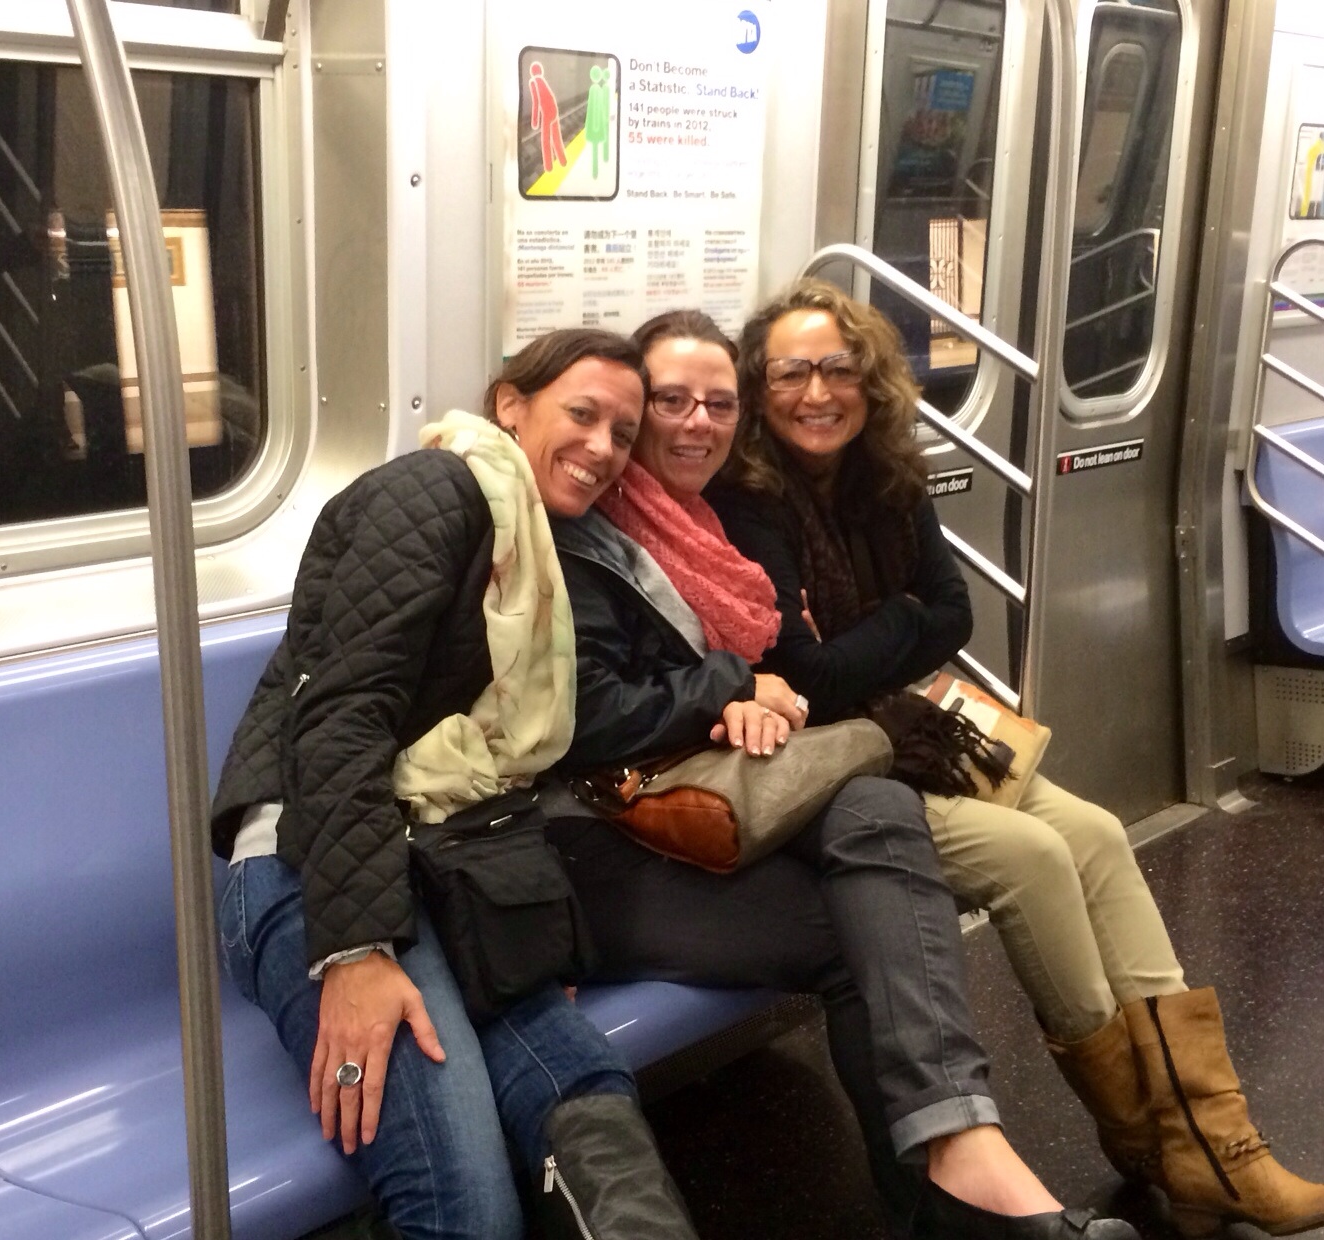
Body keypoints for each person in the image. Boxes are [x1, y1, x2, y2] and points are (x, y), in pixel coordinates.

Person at [706, 279, 1324, 1239]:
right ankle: (1152, 1146)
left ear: (871, 380)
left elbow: (953, 613)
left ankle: (1216, 1142)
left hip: (916, 726)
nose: (817, 392)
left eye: (838, 368)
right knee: (1034, 859)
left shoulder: (890, 477)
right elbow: (810, 676)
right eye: (790, 373)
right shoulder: (748, 504)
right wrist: (901, 619)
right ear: (759, 387)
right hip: (840, 765)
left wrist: (878, 635)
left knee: (1096, 833)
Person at [540, 308, 1140, 1240]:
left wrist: (748, 689)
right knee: (882, 927)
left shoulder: (705, 525)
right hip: (605, 828)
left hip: (715, 778)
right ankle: (952, 1192)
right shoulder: (583, 530)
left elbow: (932, 619)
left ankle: (970, 1161)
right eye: (666, 403)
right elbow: (594, 714)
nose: (696, 423)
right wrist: (733, 687)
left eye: (718, 404)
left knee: (879, 810)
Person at [211, 329, 698, 1240]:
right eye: (582, 413)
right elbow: (340, 719)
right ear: (511, 404)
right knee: (464, 1196)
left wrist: (526, 933)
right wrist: (354, 951)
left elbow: (488, 768)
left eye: (624, 434)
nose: (603, 447)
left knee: (585, 1098)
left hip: (439, 864)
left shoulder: (535, 547)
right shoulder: (433, 492)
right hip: (305, 861)